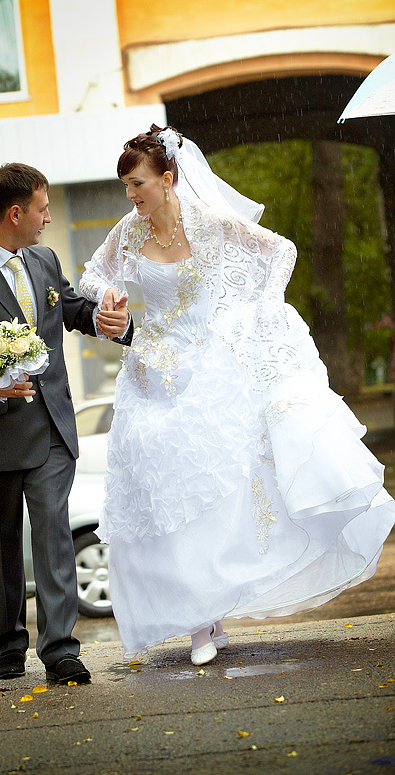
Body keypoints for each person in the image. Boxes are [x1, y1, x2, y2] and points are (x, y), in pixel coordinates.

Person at [80, 125, 395, 666]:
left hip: (208, 371)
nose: (131, 195)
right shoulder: (128, 232)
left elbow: (282, 251)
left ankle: (209, 612)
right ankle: (198, 618)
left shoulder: (211, 224)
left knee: (211, 495)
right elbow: (92, 275)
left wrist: (259, 310)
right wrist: (109, 296)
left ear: (168, 179)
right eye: (126, 186)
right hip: (151, 374)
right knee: (162, 497)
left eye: (138, 184)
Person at [0, 163, 131, 684]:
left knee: (54, 534)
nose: (48, 218)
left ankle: (60, 650)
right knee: (1, 548)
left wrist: (107, 320)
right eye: (42, 209)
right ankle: (9, 643)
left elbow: (70, 309)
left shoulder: (44, 259)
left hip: (51, 427)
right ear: (15, 213)